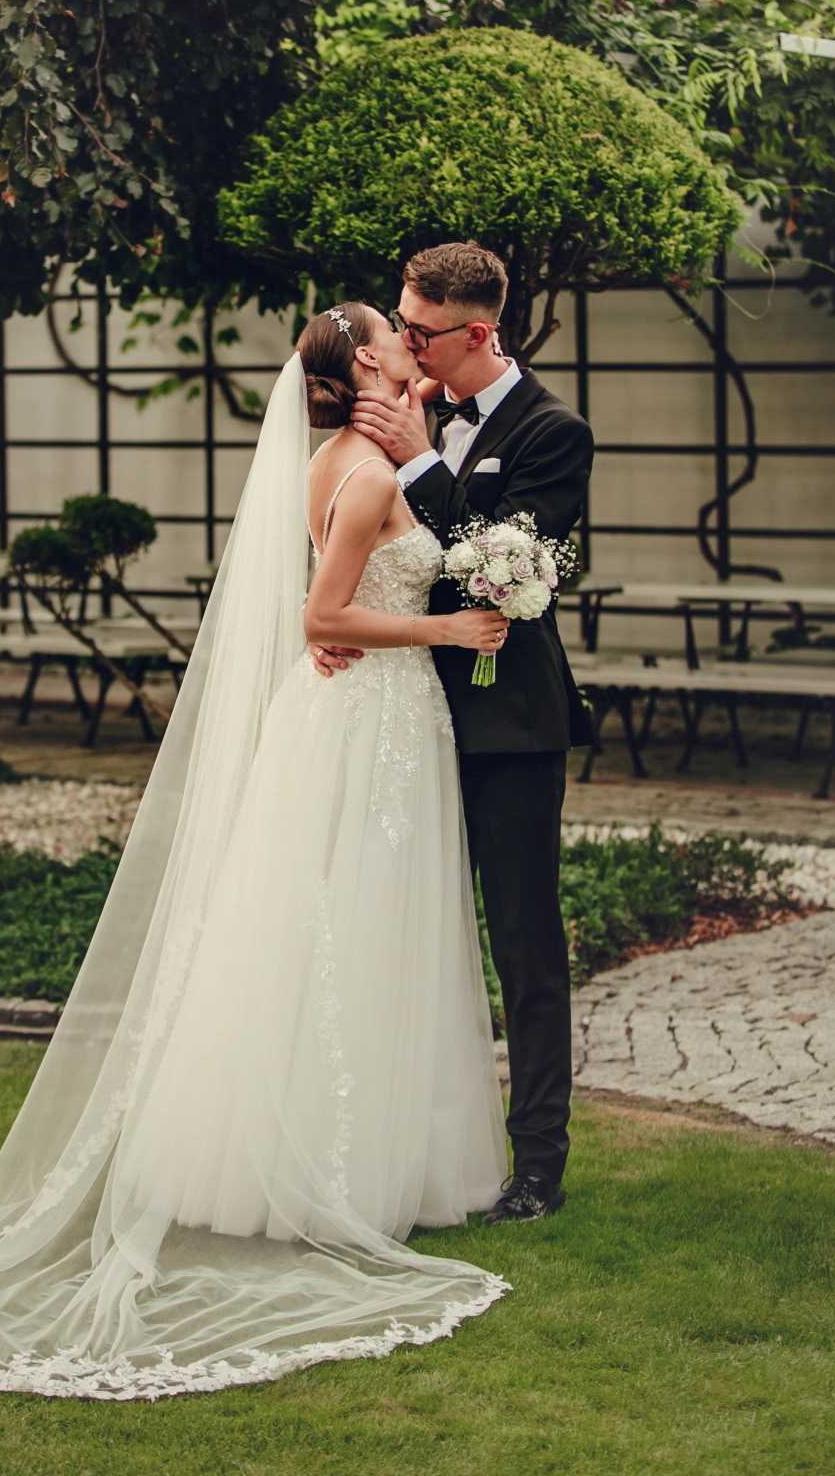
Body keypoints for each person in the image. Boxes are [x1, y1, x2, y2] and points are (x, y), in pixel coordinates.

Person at [0, 304, 511, 1403]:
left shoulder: (349, 456)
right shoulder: (361, 476)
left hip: (374, 721)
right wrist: (446, 628)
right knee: (347, 930)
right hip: (371, 721)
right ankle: (333, 1177)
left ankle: (341, 1162)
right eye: (394, 332)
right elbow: (322, 620)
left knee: (344, 930)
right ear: (365, 361)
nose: (412, 339)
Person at [316, 242, 593, 1223]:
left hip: (510, 725)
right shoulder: (413, 410)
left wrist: (422, 461)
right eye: (400, 324)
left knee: (523, 942)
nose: (407, 341)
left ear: (477, 331)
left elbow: (504, 568)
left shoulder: (554, 432)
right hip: (409, 716)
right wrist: (348, 627)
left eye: (420, 329)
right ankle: (396, 1152)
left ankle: (537, 1165)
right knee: (401, 934)